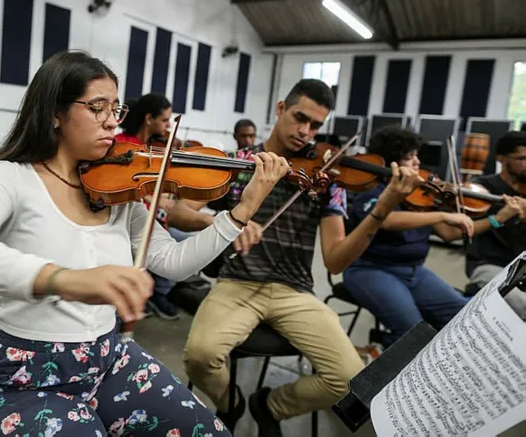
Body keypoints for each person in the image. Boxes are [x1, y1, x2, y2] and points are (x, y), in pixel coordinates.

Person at [0, 50, 292, 437]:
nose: (112, 123)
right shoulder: (10, 178)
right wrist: (64, 279)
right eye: (97, 107)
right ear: (55, 112)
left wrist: (242, 210)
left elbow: (173, 261)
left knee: (208, 431)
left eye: (115, 109)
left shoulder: (119, 191)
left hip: (107, 359)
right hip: (22, 375)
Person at [180, 79, 423, 437]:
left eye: (316, 126)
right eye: (299, 118)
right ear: (280, 109)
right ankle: (230, 402)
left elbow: (336, 261)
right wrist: (225, 222)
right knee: (199, 356)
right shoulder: (241, 162)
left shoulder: (327, 179)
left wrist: (383, 207)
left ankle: (271, 406)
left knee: (350, 380)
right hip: (238, 282)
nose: (305, 132)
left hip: (295, 291)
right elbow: (179, 211)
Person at [343, 126, 524, 346]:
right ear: (391, 162)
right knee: (413, 330)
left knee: (464, 316)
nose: (417, 163)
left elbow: (450, 233)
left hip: (414, 271)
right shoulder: (371, 191)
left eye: (417, 156)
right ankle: (383, 349)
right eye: (409, 158)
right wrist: (440, 215)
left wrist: (498, 218)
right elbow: (387, 220)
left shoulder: (422, 195)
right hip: (371, 270)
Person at [114, 93, 181, 319]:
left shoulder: (152, 147)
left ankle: (158, 291)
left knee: (182, 242)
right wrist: (154, 199)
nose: (168, 125)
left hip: (155, 220)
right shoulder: (123, 146)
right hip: (129, 222)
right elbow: (122, 187)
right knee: (175, 246)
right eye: (164, 120)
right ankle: (157, 294)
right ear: (149, 119)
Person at [466, 131, 526, 317]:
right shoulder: (482, 188)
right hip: (488, 264)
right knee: (523, 306)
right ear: (501, 159)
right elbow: (466, 229)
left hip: (521, 268)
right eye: (522, 159)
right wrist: (501, 216)